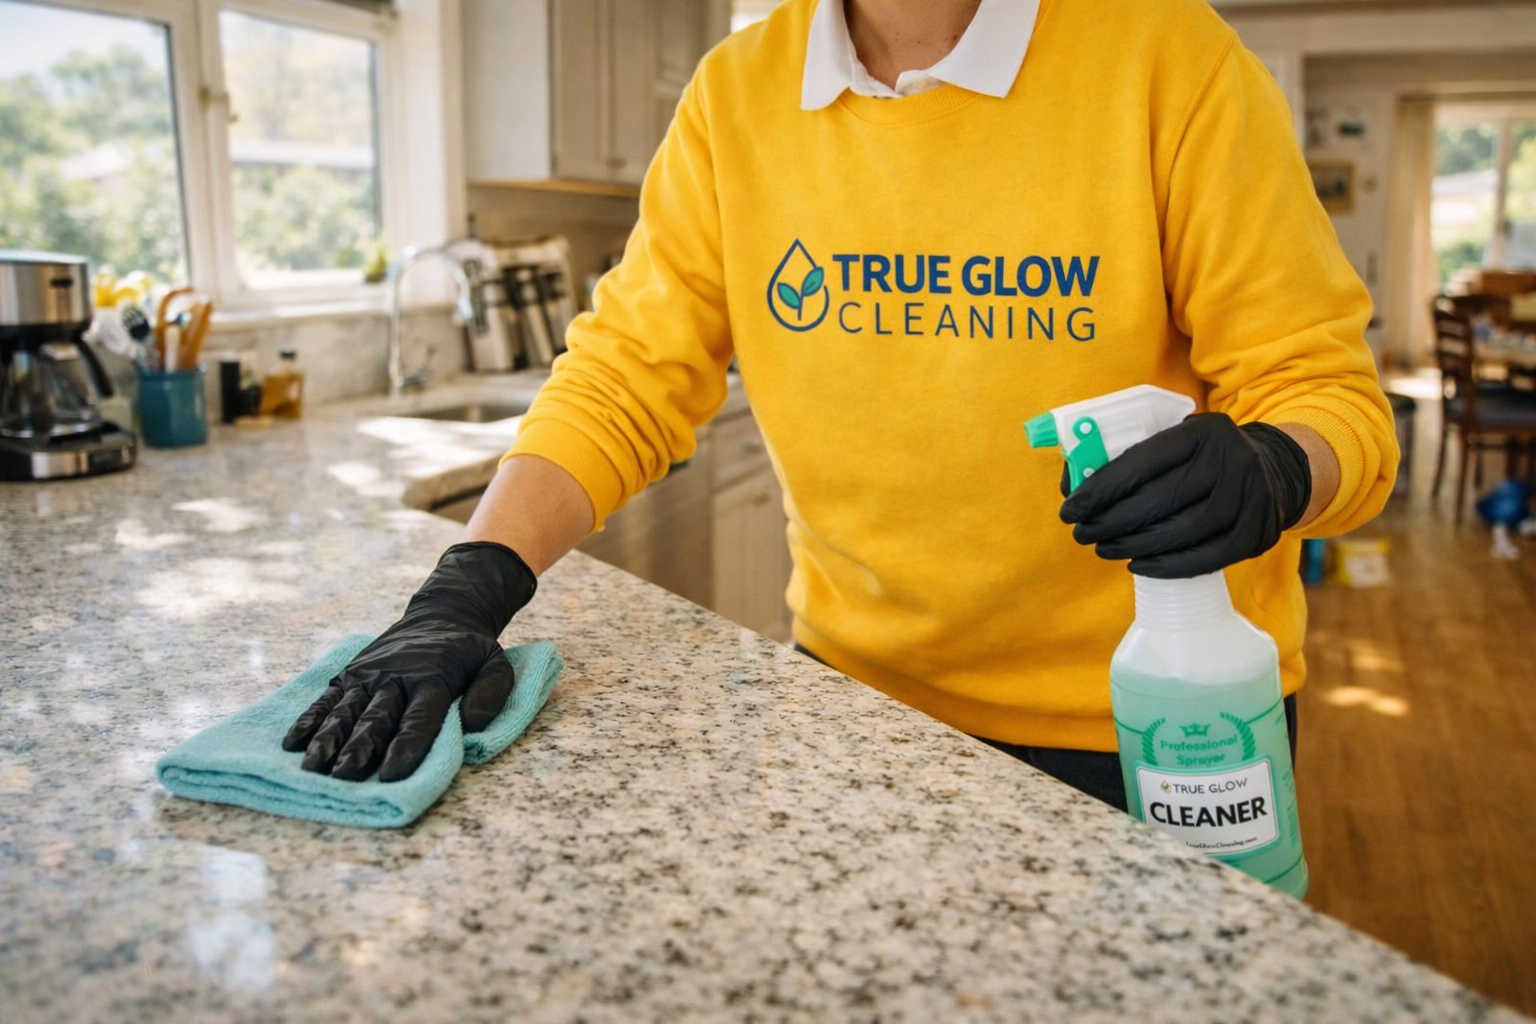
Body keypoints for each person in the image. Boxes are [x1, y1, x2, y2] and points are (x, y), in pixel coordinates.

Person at [282, 0, 1397, 808]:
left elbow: (1329, 396)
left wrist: (1278, 467)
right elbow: (624, 374)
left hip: (1161, 715)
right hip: (852, 707)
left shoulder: (1170, 57)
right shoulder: (737, 96)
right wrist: (466, 588)